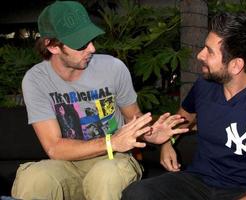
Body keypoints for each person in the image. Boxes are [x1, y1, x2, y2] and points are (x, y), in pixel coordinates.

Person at [11, 1, 188, 200]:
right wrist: (111, 141)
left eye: (91, 39)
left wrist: (150, 134)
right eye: (81, 43)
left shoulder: (113, 68)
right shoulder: (36, 79)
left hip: (114, 160)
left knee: (106, 176)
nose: (92, 48)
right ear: (52, 46)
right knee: (34, 178)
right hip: (68, 165)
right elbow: (54, 147)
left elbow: (133, 118)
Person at [121, 12, 246, 200]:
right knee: (136, 194)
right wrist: (167, 142)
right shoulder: (204, 85)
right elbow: (182, 121)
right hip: (197, 182)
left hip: (244, 191)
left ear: (236, 65)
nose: (200, 55)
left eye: (209, 51)